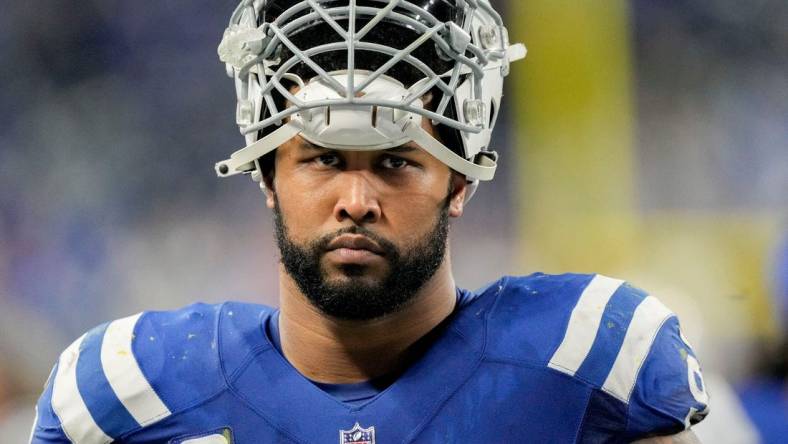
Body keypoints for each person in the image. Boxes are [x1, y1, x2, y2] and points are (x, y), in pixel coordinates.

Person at [30, 1, 709, 442]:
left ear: (461, 180)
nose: (356, 198)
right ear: (267, 174)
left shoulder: (585, 360)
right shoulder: (129, 388)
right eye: (323, 159)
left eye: (395, 164)